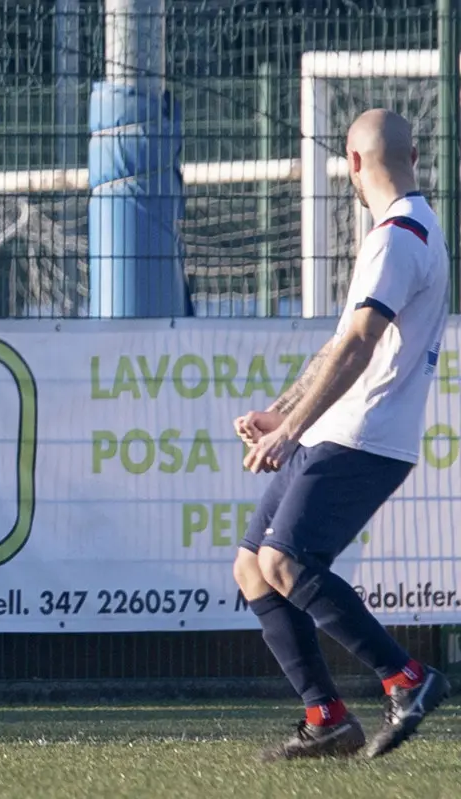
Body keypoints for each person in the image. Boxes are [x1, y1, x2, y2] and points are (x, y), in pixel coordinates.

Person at [233, 108, 450, 761]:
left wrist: (291, 428)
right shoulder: (406, 229)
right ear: (413, 157)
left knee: (285, 561)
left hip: (364, 434)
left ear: (353, 164)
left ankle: (408, 679)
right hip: (337, 428)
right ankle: (326, 717)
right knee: (252, 568)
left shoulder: (400, 235)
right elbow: (339, 343)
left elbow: (359, 343)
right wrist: (284, 408)